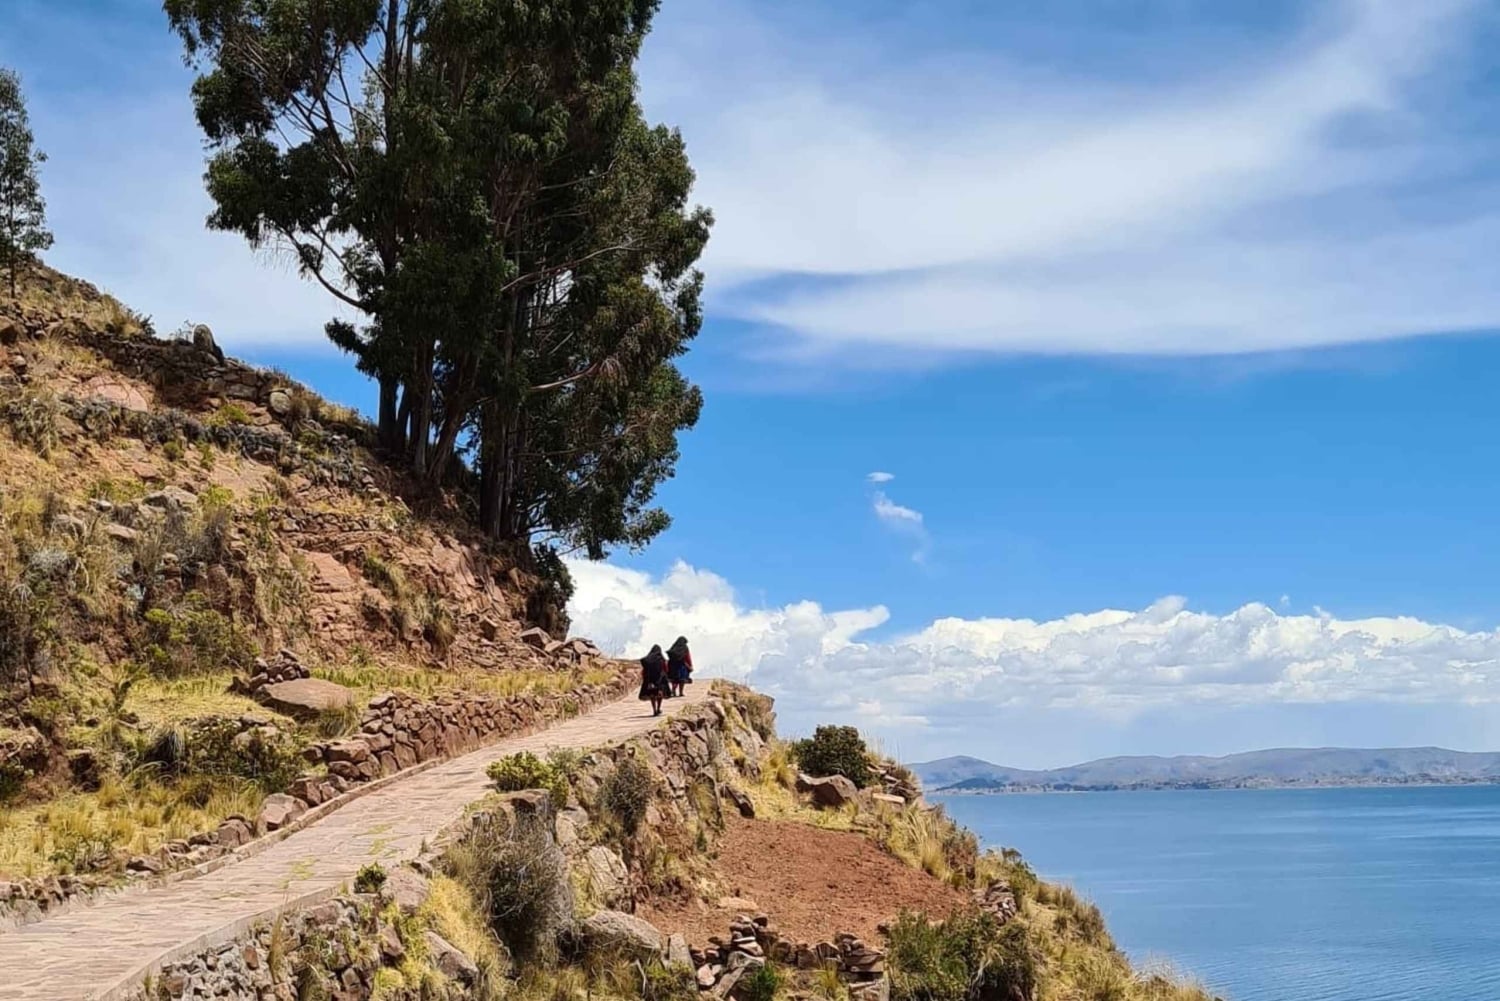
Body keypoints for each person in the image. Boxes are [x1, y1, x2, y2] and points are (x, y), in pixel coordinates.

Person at [639, 644, 668, 716]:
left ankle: (654, 709)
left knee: (652, 695)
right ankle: (658, 708)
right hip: (660, 679)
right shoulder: (661, 659)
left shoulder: (647, 660)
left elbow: (644, 670)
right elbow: (666, 669)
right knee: (659, 694)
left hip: (650, 680)